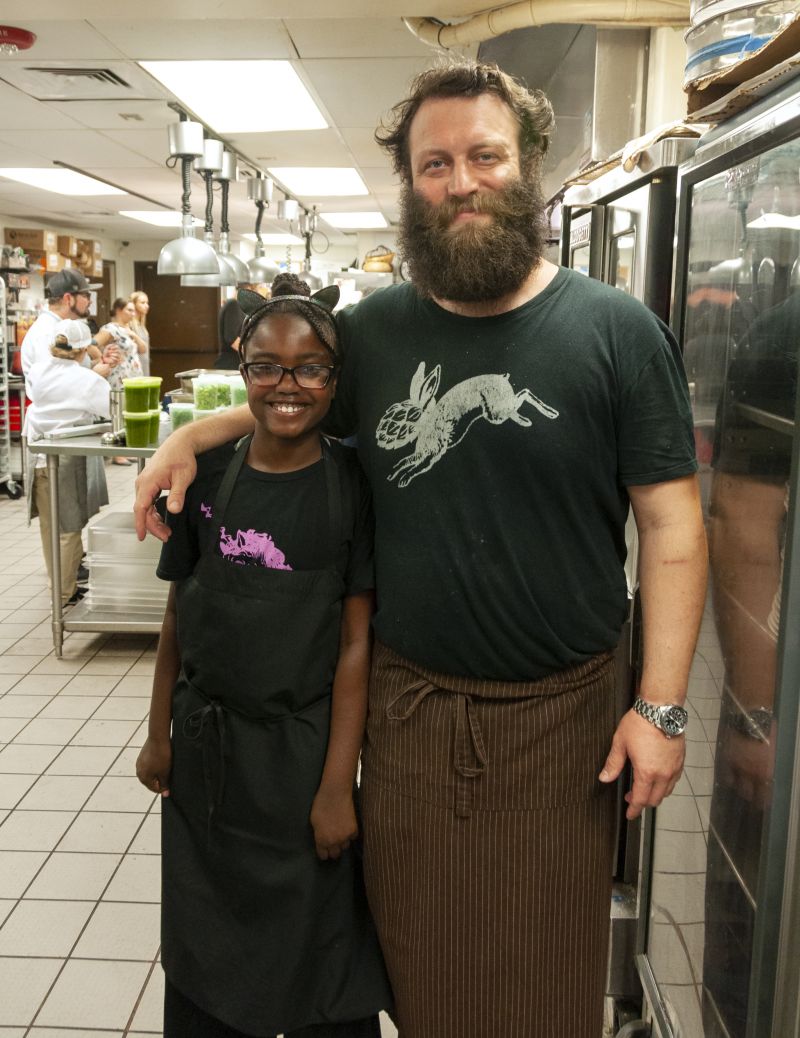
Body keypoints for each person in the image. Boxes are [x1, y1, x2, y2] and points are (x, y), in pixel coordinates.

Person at [134, 62, 708, 1038]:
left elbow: (670, 525)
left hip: (562, 721)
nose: (458, 180)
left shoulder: (614, 332)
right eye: (432, 163)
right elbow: (292, 407)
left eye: (482, 155)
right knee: (413, 965)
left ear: (525, 165)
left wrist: (657, 705)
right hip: (405, 716)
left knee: (540, 976)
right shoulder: (375, 330)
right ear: (410, 186)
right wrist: (188, 437)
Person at [135, 272, 391, 1038]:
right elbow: (180, 612)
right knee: (206, 959)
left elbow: (355, 645)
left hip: (300, 758)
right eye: (267, 366)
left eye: (310, 367)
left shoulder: (352, 489)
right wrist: (157, 733)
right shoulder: (204, 479)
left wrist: (337, 787)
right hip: (207, 750)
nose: (288, 384)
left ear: (335, 381)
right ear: (241, 370)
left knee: (321, 963)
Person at [26, 319, 113, 606]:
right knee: (68, 528)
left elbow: (58, 389)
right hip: (64, 459)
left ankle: (60, 588)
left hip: (38, 458)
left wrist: (94, 372)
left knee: (50, 528)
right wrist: (100, 375)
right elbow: (106, 407)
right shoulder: (85, 379)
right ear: (82, 348)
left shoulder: (38, 371)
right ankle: (64, 595)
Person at [20, 268, 102, 376]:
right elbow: (54, 382)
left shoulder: (62, 328)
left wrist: (96, 364)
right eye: (86, 295)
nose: (90, 301)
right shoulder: (47, 333)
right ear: (68, 299)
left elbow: (71, 368)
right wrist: (94, 374)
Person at [102, 297, 148, 464]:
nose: (133, 313)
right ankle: (117, 453)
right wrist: (103, 359)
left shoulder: (128, 329)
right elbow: (93, 344)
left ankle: (125, 447)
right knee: (118, 413)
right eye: (129, 310)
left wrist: (133, 335)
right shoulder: (110, 329)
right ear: (119, 310)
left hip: (132, 376)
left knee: (128, 412)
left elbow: (143, 349)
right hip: (118, 377)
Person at [129, 290, 151, 375]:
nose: (146, 306)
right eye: (142, 303)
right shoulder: (130, 325)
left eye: (147, 303)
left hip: (144, 364)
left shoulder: (141, 325)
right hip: (134, 367)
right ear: (134, 305)